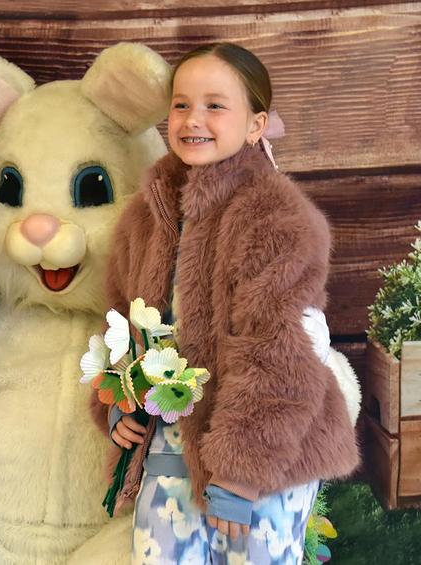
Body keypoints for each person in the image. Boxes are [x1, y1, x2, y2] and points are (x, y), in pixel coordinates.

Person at [104, 43, 359, 564]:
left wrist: (242, 472)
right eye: (181, 104)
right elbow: (119, 322)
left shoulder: (277, 220)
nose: (192, 119)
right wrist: (119, 401)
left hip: (266, 458)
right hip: (171, 447)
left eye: (215, 105)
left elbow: (280, 356)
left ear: (255, 124)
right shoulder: (144, 217)